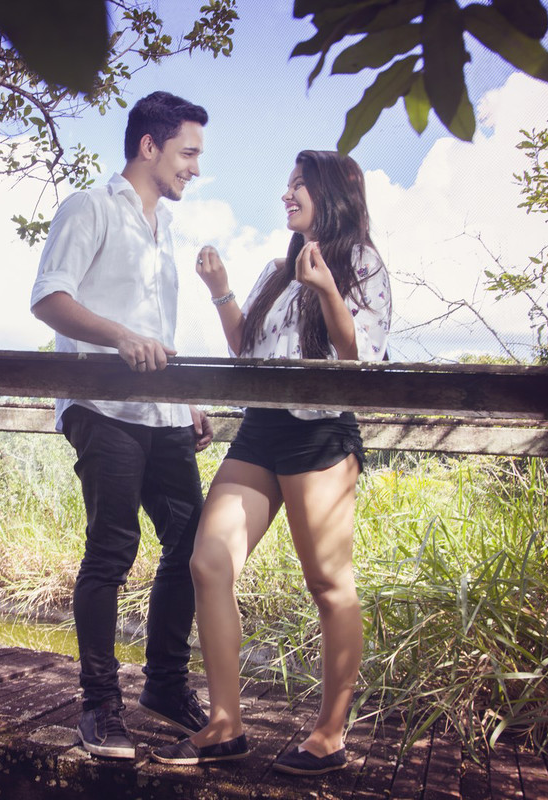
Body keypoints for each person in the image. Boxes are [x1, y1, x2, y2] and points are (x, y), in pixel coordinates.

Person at [151, 150, 391, 773]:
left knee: (328, 584)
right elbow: (243, 349)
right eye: (286, 185)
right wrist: (221, 289)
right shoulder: (274, 270)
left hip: (319, 433)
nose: (287, 195)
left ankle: (329, 734)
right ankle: (226, 724)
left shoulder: (361, 263)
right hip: (262, 428)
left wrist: (328, 290)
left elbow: (356, 356)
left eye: (299, 186)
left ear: (332, 195)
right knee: (210, 562)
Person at [30, 91, 215, 760]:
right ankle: (98, 707)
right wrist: (119, 337)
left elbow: (158, 336)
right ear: (149, 146)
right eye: (188, 152)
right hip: (98, 402)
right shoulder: (90, 207)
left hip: (161, 409)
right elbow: (49, 298)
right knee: (113, 546)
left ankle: (165, 684)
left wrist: (187, 395)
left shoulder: (164, 233)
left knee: (194, 542)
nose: (195, 167)